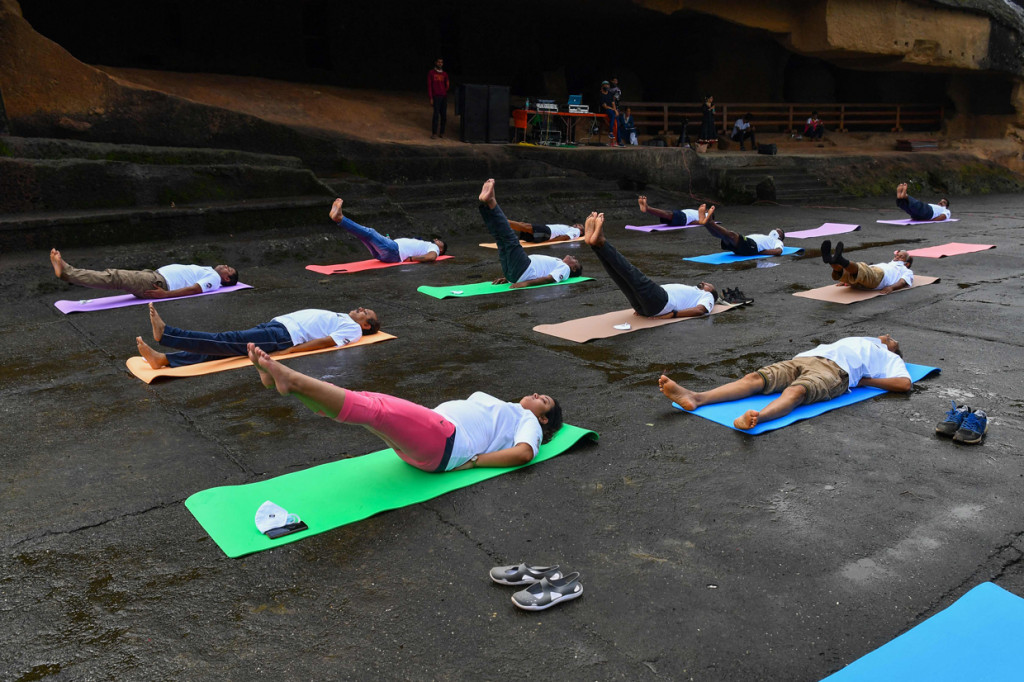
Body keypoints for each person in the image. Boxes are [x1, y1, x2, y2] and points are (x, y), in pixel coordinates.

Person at [246, 343, 564, 473]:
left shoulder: (528, 421)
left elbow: (524, 453)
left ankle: (292, 380)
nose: (537, 395)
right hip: (431, 441)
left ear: (543, 418)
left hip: (448, 443)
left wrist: (476, 461)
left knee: (373, 409)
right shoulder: (509, 408)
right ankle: (289, 386)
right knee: (366, 403)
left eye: (544, 400)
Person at [659, 335, 912, 430]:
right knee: (754, 378)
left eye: (893, 340)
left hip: (836, 371)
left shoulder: (889, 357)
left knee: (797, 391)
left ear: (894, 350)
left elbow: (904, 384)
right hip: (805, 359)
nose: (889, 336)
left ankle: (758, 418)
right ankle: (696, 397)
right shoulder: (865, 339)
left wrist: (865, 380)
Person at [135, 303, 379, 369]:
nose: (360, 308)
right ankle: (165, 360)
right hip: (277, 326)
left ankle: (168, 334)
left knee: (225, 340)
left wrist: (290, 351)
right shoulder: (345, 318)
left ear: (366, 325)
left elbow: (326, 342)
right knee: (224, 349)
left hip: (283, 336)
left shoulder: (353, 329)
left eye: (365, 312)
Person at [585, 211, 716, 318]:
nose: (704, 282)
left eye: (709, 285)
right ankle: (595, 245)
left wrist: (673, 314)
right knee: (619, 277)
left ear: (711, 291)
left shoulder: (707, 296)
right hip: (646, 306)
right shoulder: (695, 292)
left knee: (629, 272)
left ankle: (601, 242)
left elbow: (700, 310)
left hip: (661, 302)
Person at [478, 179, 582, 288]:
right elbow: (542, 273)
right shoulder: (558, 263)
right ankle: (486, 205)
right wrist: (508, 279)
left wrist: (525, 283)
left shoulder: (565, 269)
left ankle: (491, 202)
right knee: (500, 238)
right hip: (516, 272)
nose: (574, 256)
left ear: (574, 268)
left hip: (524, 269)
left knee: (509, 238)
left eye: (576, 260)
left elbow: (549, 279)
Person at [49, 248, 238, 299]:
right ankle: (67, 271)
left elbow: (195, 290)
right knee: (114, 278)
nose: (226, 265)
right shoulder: (209, 271)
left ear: (226, 278)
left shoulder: (214, 279)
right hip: (153, 276)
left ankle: (67, 272)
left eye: (229, 269)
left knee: (114, 277)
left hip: (158, 283)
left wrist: (165, 295)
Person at [329, 199, 446, 263]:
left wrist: (411, 259)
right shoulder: (426, 245)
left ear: (441, 249)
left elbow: (431, 257)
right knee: (364, 235)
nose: (436, 239)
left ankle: (340, 218)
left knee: (370, 233)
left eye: (439, 241)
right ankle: (340, 219)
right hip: (388, 253)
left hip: (393, 252)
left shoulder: (434, 248)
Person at [821, 241, 915, 295]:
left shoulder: (906, 270)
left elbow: (902, 282)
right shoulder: (889, 264)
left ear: (907, 264)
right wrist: (846, 280)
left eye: (901, 257)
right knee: (844, 273)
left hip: (880, 277)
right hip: (868, 277)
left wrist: (892, 288)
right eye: (897, 255)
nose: (897, 257)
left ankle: (840, 259)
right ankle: (831, 261)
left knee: (861, 269)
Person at [696, 204, 785, 256]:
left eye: (777, 231)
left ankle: (710, 222)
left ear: (780, 236)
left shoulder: (778, 242)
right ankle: (706, 224)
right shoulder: (767, 237)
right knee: (724, 236)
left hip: (753, 246)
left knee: (731, 234)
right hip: (746, 244)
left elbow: (778, 251)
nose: (774, 231)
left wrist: (762, 252)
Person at [507, 219, 583, 243]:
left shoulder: (577, 231)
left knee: (524, 226)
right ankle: (504, 222)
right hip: (546, 230)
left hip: (548, 232)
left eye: (580, 225)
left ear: (581, 231)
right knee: (523, 226)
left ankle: (503, 220)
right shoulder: (570, 228)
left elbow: (566, 237)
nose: (577, 224)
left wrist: (549, 241)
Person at [427, 58, 450, 139]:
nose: (440, 63)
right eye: (439, 62)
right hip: (436, 97)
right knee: (436, 115)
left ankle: (442, 132)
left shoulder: (445, 74)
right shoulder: (431, 73)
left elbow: (447, 84)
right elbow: (429, 86)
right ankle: (434, 133)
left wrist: (443, 91)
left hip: (443, 97)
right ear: (436, 63)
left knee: (444, 115)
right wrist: (431, 97)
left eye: (441, 62)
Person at [599, 81, 618, 147]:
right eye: (605, 85)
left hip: (611, 111)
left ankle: (614, 139)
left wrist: (615, 110)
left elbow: (613, 103)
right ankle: (611, 132)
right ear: (602, 86)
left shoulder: (610, 94)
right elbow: (605, 106)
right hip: (605, 111)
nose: (607, 86)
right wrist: (612, 109)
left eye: (607, 85)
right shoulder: (601, 95)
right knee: (612, 116)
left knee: (616, 120)